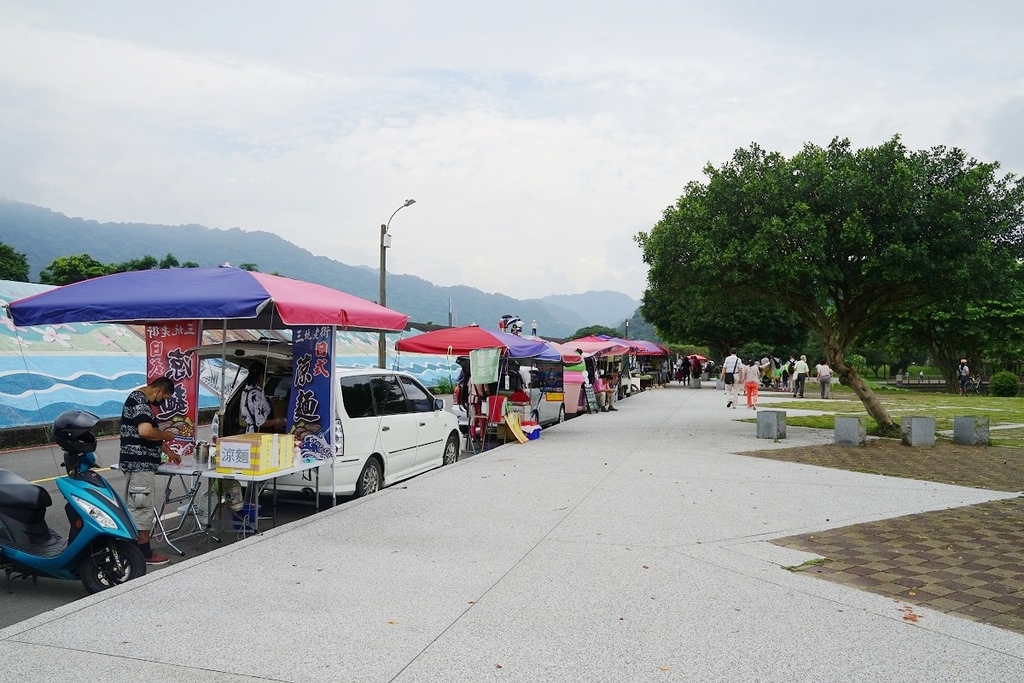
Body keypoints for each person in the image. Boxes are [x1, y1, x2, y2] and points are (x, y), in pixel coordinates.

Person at [119, 377, 179, 566]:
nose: (162, 401)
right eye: (165, 397)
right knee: (141, 508)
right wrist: (166, 434)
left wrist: (169, 452)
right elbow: (146, 432)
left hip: (138, 464)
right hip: (140, 466)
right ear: (159, 391)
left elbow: (150, 435)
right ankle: (143, 552)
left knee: (138, 507)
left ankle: (135, 549)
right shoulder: (140, 401)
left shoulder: (139, 402)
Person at [240, 362, 285, 433]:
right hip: (259, 434)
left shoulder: (246, 391)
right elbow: (261, 422)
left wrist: (268, 401)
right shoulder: (257, 394)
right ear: (261, 376)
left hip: (249, 432)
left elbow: (251, 404)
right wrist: (279, 421)